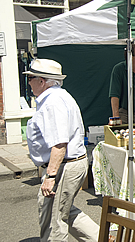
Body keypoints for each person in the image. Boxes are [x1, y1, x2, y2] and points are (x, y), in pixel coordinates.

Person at [25, 59, 99, 241]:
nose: (28, 82)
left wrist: (50, 176)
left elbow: (59, 143)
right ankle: (101, 238)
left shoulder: (53, 102)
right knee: (63, 210)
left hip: (65, 165)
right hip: (68, 164)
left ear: (41, 81)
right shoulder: (57, 97)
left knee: (53, 220)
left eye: (31, 78)